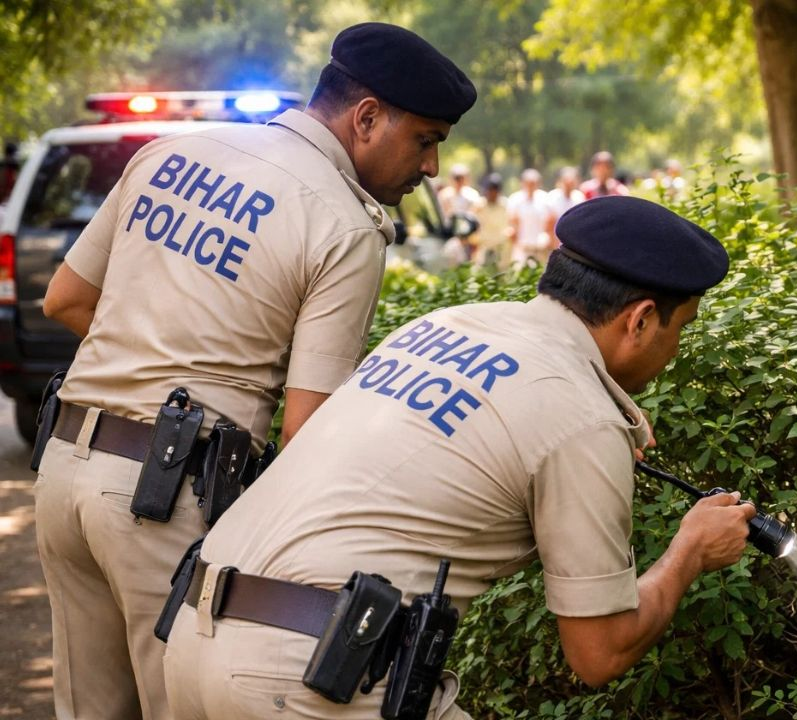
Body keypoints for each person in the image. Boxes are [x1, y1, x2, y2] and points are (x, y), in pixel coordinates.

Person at [161, 196, 755, 719]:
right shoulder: (580, 416)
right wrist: (690, 552)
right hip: (310, 675)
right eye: (683, 329)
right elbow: (598, 652)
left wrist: (597, 418)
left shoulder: (445, 325)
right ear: (642, 319)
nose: (677, 349)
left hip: (192, 635)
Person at [33, 22, 475, 720]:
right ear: (366, 118)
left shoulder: (168, 153)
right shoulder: (344, 226)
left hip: (63, 471)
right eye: (426, 139)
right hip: (164, 497)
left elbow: (66, 298)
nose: (430, 169)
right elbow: (306, 431)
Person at [507, 167, 555, 266]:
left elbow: (551, 221)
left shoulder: (545, 199)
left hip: (541, 248)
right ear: (522, 183)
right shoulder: (515, 199)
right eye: (528, 183)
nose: (530, 186)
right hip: (522, 248)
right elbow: (512, 223)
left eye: (533, 183)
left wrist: (549, 241)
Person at [469, 172, 510, 270]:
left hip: (500, 248)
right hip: (483, 248)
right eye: (489, 190)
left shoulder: (505, 205)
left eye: (494, 190)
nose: (491, 193)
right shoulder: (479, 205)